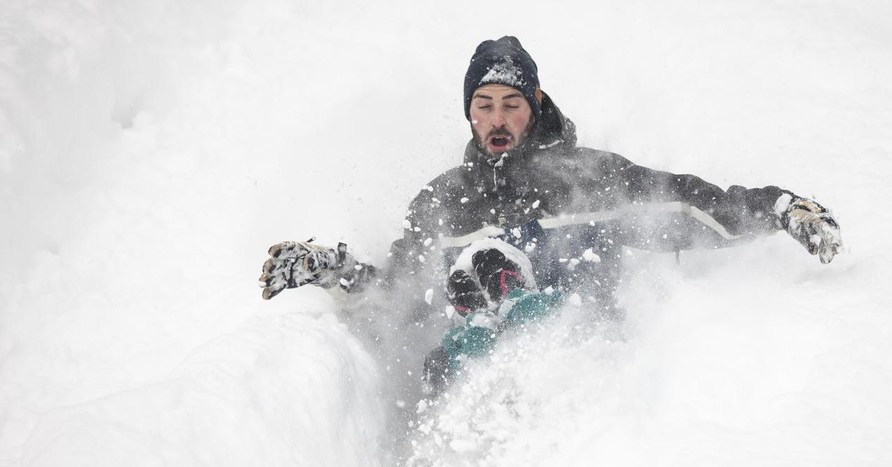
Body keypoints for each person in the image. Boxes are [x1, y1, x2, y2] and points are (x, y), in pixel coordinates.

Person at [259, 36, 843, 391]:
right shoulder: (443, 202)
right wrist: (331, 270)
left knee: (525, 303)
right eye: (484, 105)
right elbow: (399, 297)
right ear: (469, 113)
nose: (497, 119)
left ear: (534, 105)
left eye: (511, 104)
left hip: (578, 366)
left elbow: (687, 206)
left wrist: (779, 209)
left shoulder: (585, 178)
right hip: (472, 378)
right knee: (459, 319)